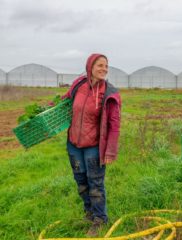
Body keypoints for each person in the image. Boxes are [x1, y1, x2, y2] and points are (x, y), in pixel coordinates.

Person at [62, 53, 121, 237]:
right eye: (100, 65)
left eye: (106, 66)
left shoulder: (110, 93)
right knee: (81, 182)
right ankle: (89, 214)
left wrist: (110, 151)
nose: (104, 69)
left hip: (94, 146)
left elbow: (114, 125)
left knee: (95, 183)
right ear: (90, 67)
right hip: (74, 143)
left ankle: (100, 219)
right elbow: (64, 101)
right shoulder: (79, 84)